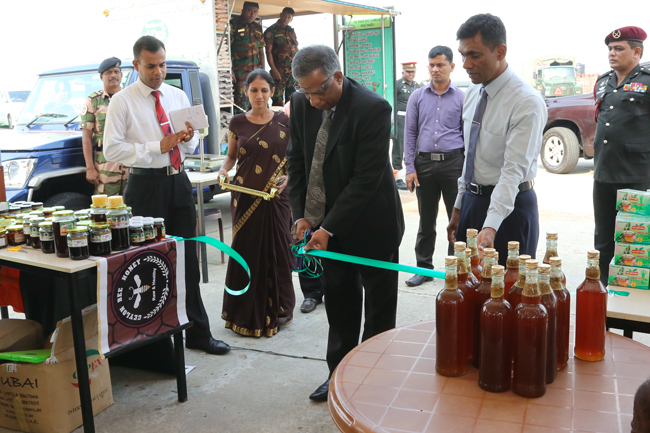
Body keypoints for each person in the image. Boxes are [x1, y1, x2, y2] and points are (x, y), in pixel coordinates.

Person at [287, 45, 405, 402]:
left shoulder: (372, 108)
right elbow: (298, 162)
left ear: (337, 77)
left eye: (319, 90)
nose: (313, 100)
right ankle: (338, 376)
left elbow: (365, 179)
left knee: (379, 310)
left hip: (374, 226)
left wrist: (328, 227)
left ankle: (373, 379)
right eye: (305, 91)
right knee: (339, 304)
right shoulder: (301, 104)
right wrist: (302, 214)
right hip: (327, 228)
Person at [103, 35, 230, 355]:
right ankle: (154, 344)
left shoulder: (176, 95)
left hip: (178, 182)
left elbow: (188, 142)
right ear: (136, 65)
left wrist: (184, 139)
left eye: (162, 65)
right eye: (151, 66)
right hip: (145, 187)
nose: (158, 71)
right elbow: (111, 148)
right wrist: (155, 146)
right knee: (149, 263)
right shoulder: (123, 100)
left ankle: (198, 334)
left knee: (187, 259)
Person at [446, 13, 547, 266]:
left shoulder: (525, 101)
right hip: (472, 201)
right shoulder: (472, 93)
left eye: (475, 55)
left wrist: (491, 226)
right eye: (463, 55)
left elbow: (512, 171)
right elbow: (470, 158)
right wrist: (460, 206)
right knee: (465, 290)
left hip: (510, 211)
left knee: (508, 297)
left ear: (500, 51)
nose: (466, 64)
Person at [217, 69, 295, 337]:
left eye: (264, 90)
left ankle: (281, 308)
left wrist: (287, 178)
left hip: (276, 197)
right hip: (245, 195)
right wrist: (223, 171)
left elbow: (295, 160)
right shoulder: (237, 122)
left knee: (278, 250)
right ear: (246, 92)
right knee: (245, 252)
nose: (259, 95)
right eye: (254, 90)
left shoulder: (284, 121)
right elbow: (230, 157)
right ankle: (242, 312)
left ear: (272, 92)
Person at [403, 46, 464, 287]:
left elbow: (468, 136)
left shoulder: (462, 97)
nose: (435, 69)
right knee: (426, 220)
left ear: (451, 67)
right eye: (432, 65)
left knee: (456, 219)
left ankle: (455, 270)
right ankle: (424, 268)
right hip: (424, 165)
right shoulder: (417, 97)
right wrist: (409, 167)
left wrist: (467, 170)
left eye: (440, 64)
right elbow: (409, 133)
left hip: (453, 164)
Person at [593, 26, 649, 285]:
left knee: (633, 240)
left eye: (619, 49)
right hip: (604, 173)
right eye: (610, 49)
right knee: (603, 238)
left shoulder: (648, 81)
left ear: (637, 52)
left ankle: (630, 303)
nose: (611, 54)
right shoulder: (603, 81)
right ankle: (605, 294)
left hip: (634, 174)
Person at [80, 57, 129, 195]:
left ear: (121, 75)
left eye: (116, 71)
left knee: (133, 207)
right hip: (106, 165)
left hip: (130, 161)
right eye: (108, 72)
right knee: (106, 208)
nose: (113, 75)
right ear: (102, 76)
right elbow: (86, 139)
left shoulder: (130, 98)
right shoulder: (93, 101)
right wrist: (90, 168)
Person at [230, 1, 265, 112]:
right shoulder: (234, 24)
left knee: (255, 98)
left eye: (255, 12)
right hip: (240, 70)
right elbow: (227, 47)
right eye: (249, 11)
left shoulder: (258, 27)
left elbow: (261, 50)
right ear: (243, 11)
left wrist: (263, 70)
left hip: (255, 70)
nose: (252, 15)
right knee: (240, 100)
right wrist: (230, 69)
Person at [393, 62, 420, 190]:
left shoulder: (417, 86)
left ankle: (412, 173)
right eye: (408, 71)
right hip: (400, 118)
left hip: (414, 120)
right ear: (403, 72)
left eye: (413, 72)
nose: (411, 74)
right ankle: (397, 177)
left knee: (414, 147)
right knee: (398, 147)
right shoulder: (397, 85)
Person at [264, 7, 299, 106]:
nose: (285, 18)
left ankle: (290, 121)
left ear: (291, 19)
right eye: (284, 15)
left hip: (292, 71)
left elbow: (296, 50)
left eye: (288, 17)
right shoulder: (271, 30)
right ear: (280, 15)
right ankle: (278, 121)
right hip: (279, 71)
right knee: (277, 101)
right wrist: (273, 69)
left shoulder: (291, 31)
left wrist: (299, 68)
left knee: (292, 100)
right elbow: (268, 52)